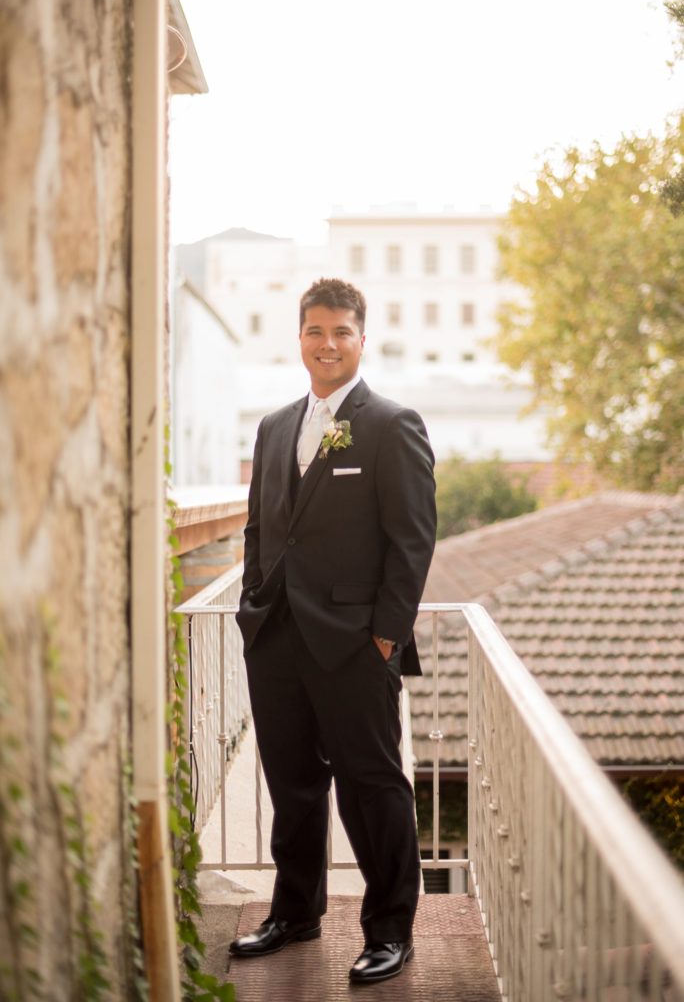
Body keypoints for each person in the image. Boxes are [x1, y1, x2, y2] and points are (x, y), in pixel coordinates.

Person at [230, 278, 436, 984]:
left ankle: (389, 931)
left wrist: (385, 636)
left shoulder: (392, 424)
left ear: (361, 339)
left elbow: (412, 542)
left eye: (341, 332)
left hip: (354, 643)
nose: (328, 344)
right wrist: (253, 610)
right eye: (316, 331)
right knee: (292, 783)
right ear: (300, 339)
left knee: (372, 786)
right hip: (277, 639)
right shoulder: (274, 426)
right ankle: (294, 912)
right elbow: (260, 530)